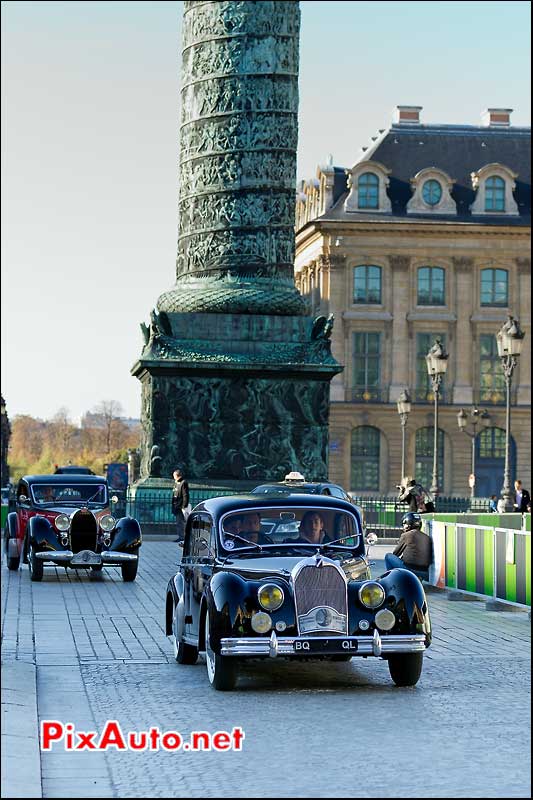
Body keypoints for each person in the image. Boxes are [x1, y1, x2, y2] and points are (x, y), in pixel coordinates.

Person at [171, 467, 189, 542]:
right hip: (176, 506)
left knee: (182, 522)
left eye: (174, 476)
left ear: (177, 475)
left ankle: (183, 537)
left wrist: (184, 506)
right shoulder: (176, 483)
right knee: (179, 523)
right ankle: (181, 536)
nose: (173, 477)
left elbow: (185, 495)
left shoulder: (183, 483)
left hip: (180, 506)